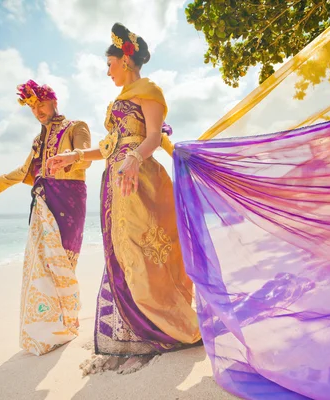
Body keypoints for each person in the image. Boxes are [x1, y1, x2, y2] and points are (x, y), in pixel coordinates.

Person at [47, 23, 201, 374]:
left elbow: (152, 136)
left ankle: (153, 338)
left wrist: (133, 159)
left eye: (110, 63)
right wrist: (73, 157)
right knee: (120, 254)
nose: (107, 70)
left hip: (140, 180)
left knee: (143, 255)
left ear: (125, 61)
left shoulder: (149, 91)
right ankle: (127, 337)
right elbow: (108, 147)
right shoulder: (118, 101)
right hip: (115, 183)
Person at [0, 80, 92, 356]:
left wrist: (67, 159)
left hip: (69, 200)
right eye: (32, 107)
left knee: (65, 262)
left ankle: (69, 322)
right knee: (43, 264)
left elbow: (86, 158)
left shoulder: (76, 127)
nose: (37, 111)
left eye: (41, 104)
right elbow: (25, 171)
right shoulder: (37, 141)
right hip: (44, 201)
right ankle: (51, 327)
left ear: (54, 101)